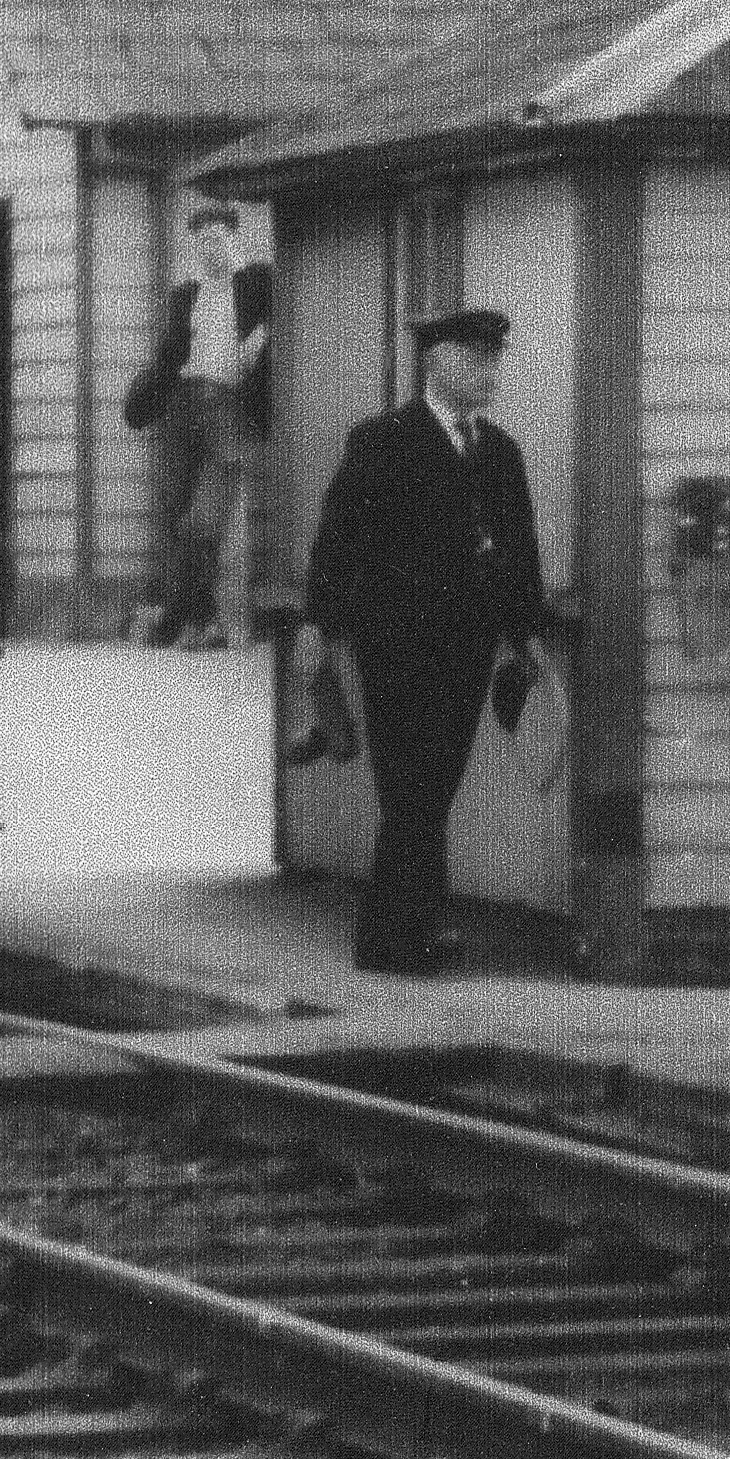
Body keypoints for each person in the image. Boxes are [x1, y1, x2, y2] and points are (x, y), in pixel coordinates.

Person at [298, 303, 552, 974]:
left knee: (431, 790)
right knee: (410, 790)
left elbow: (522, 551)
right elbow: (338, 540)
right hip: (397, 649)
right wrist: (318, 624)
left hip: (468, 650)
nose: (490, 372)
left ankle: (409, 930)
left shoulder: (500, 452)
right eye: (475, 359)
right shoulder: (383, 441)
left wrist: (524, 636)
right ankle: (389, 938)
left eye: (495, 359)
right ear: (435, 363)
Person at [130, 205, 273, 646]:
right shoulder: (184, 294)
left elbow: (280, 320)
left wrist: (262, 338)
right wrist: (149, 395)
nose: (212, 248)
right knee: (175, 510)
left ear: (235, 240)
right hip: (181, 403)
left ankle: (183, 617)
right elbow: (169, 354)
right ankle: (198, 619)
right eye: (203, 242)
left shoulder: (256, 282)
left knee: (206, 517)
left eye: (218, 239)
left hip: (228, 403)